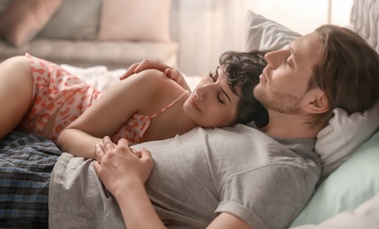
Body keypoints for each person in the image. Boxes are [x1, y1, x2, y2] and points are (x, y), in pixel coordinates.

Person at [0, 25, 379, 229]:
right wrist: (178, 89)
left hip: (53, 192)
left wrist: (127, 184)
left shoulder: (280, 173)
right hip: (47, 162)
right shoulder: (258, 128)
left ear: (317, 102)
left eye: (289, 61)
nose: (271, 56)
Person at [0, 51, 267, 159]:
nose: (203, 91)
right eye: (211, 75)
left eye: (221, 97)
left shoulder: (212, 146)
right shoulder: (156, 84)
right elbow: (69, 135)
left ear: (235, 125)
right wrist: (116, 155)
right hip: (38, 88)